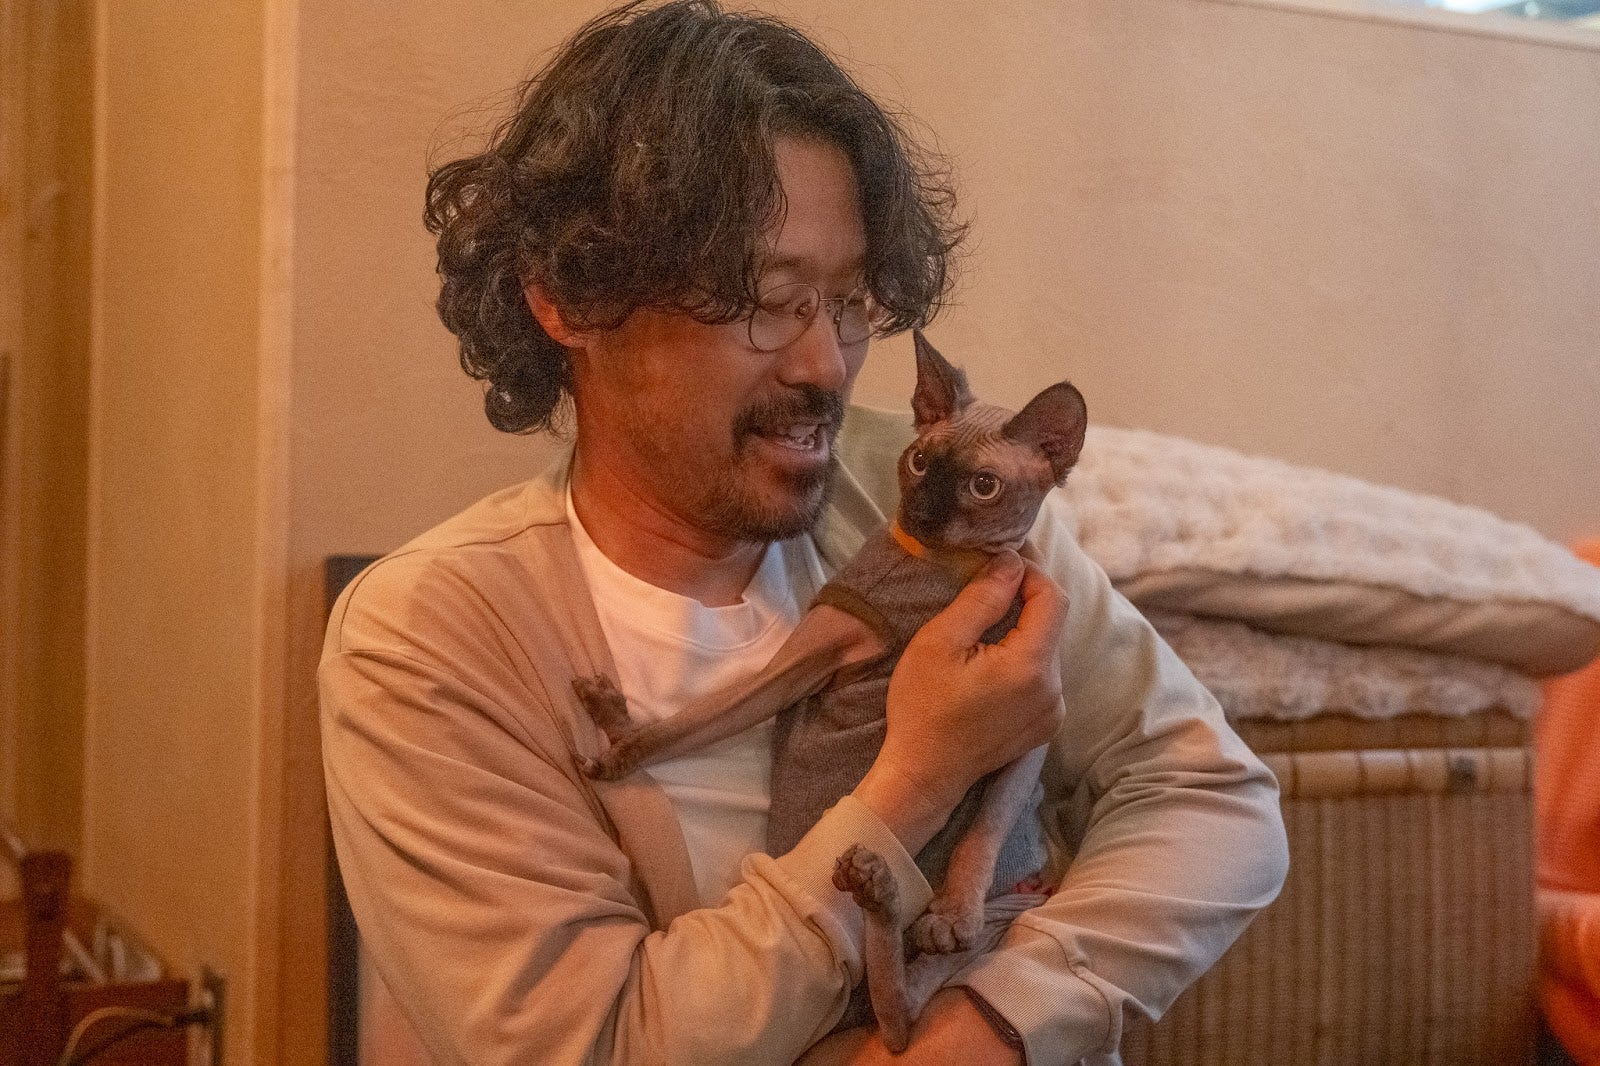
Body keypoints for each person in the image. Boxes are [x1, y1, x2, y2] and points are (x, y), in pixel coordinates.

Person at [318, 2, 1289, 1064]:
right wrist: (916, 777)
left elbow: (1211, 796)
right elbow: (600, 1040)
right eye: (767, 299)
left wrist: (998, 1022)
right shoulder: (428, 640)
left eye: (849, 300)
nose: (825, 363)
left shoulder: (944, 511)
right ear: (569, 299)